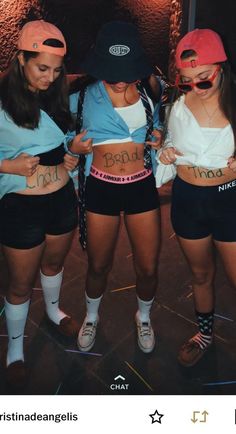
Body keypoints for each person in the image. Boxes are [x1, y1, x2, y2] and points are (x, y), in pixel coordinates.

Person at [0, 19, 92, 387]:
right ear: (21, 58)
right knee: (21, 283)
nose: (50, 77)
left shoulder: (57, 96)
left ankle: (53, 312)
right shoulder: (2, 100)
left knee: (54, 265)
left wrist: (71, 153)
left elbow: (60, 145)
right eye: (42, 67)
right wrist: (7, 164)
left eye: (57, 70)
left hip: (61, 202)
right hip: (21, 208)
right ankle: (16, 347)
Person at [69, 21, 164, 354]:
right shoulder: (81, 98)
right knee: (98, 264)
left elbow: (160, 132)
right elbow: (64, 138)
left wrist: (159, 138)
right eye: (112, 72)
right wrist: (72, 149)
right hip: (100, 188)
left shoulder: (152, 92)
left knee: (149, 266)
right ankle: (91, 316)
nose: (120, 78)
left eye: (125, 70)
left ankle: (144, 316)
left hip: (141, 187)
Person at [156, 28, 236, 367]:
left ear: (222, 69)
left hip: (229, 200)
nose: (196, 89)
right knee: (200, 275)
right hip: (188, 200)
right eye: (187, 81)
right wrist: (164, 154)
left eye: (204, 80)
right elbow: (170, 145)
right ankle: (204, 335)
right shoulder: (177, 107)